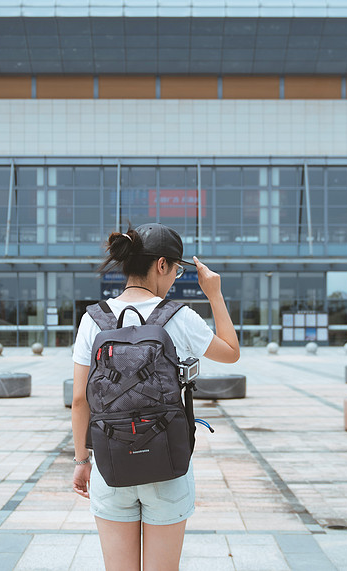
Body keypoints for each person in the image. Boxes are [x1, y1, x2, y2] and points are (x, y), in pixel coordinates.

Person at [71, 223, 239, 571]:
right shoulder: (178, 317)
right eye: (176, 269)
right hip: (167, 464)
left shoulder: (94, 319)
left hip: (111, 462)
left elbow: (79, 399)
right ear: (161, 264)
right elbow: (231, 351)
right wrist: (215, 293)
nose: (176, 278)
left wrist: (81, 461)